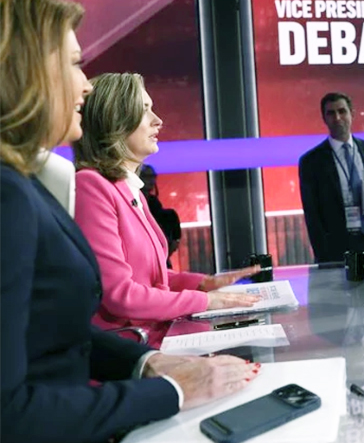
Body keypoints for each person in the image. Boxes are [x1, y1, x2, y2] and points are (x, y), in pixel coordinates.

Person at [0, 0, 258, 443]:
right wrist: (173, 391)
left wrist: (149, 362)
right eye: (74, 64)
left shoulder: (23, 186)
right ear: (25, 74)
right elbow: (9, 411)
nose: (86, 85)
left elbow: (60, 337)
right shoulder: (9, 197)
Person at [72, 72, 261, 347]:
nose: (157, 120)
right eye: (145, 110)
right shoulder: (91, 185)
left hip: (160, 338)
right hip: (131, 352)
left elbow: (152, 278)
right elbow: (120, 293)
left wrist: (204, 283)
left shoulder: (128, 187)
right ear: (115, 120)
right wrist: (205, 301)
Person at [298, 92, 364, 263]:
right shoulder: (311, 161)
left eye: (342, 111)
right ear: (324, 118)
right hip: (335, 249)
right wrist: (323, 255)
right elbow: (312, 214)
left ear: (352, 114)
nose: (338, 117)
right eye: (331, 113)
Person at [139, 163, 182, 268]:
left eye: (152, 177)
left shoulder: (165, 214)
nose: (150, 181)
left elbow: (174, 243)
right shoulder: (132, 204)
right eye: (146, 176)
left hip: (161, 262)